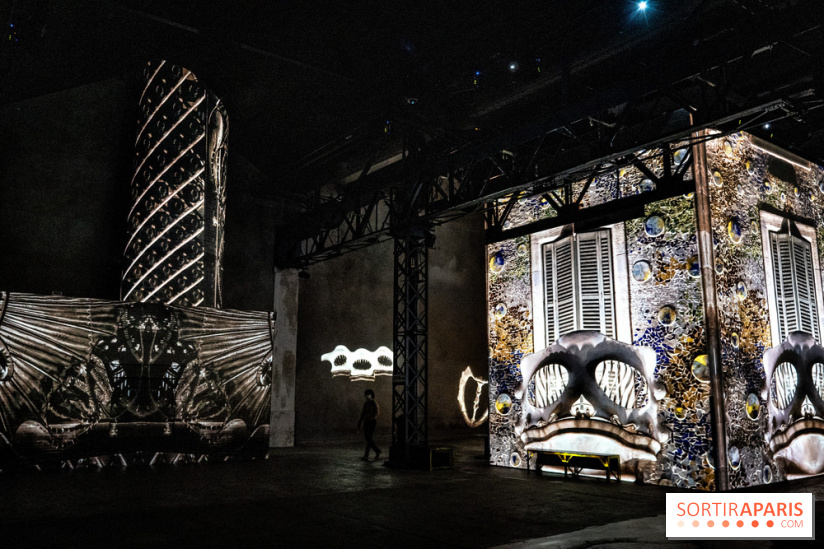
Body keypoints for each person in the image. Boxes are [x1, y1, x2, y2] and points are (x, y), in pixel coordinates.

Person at [357, 389, 381, 461]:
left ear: (371, 395)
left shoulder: (374, 403)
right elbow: (363, 413)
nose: (367, 396)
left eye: (368, 394)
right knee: (368, 438)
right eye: (366, 395)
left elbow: (377, 412)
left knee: (369, 438)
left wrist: (371, 417)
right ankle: (376, 451)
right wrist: (360, 421)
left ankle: (367, 455)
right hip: (367, 421)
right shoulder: (366, 403)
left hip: (372, 422)